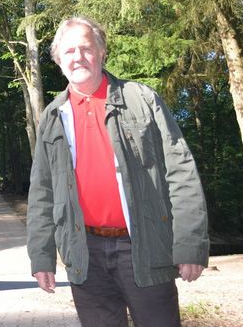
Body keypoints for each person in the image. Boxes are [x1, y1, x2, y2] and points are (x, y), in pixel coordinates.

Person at [27, 16, 209, 327]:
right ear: (58, 60)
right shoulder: (53, 116)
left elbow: (181, 172)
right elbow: (42, 192)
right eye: (68, 51)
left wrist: (190, 244)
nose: (78, 57)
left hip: (145, 248)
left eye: (86, 48)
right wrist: (41, 256)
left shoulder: (142, 99)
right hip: (85, 254)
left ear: (101, 52)